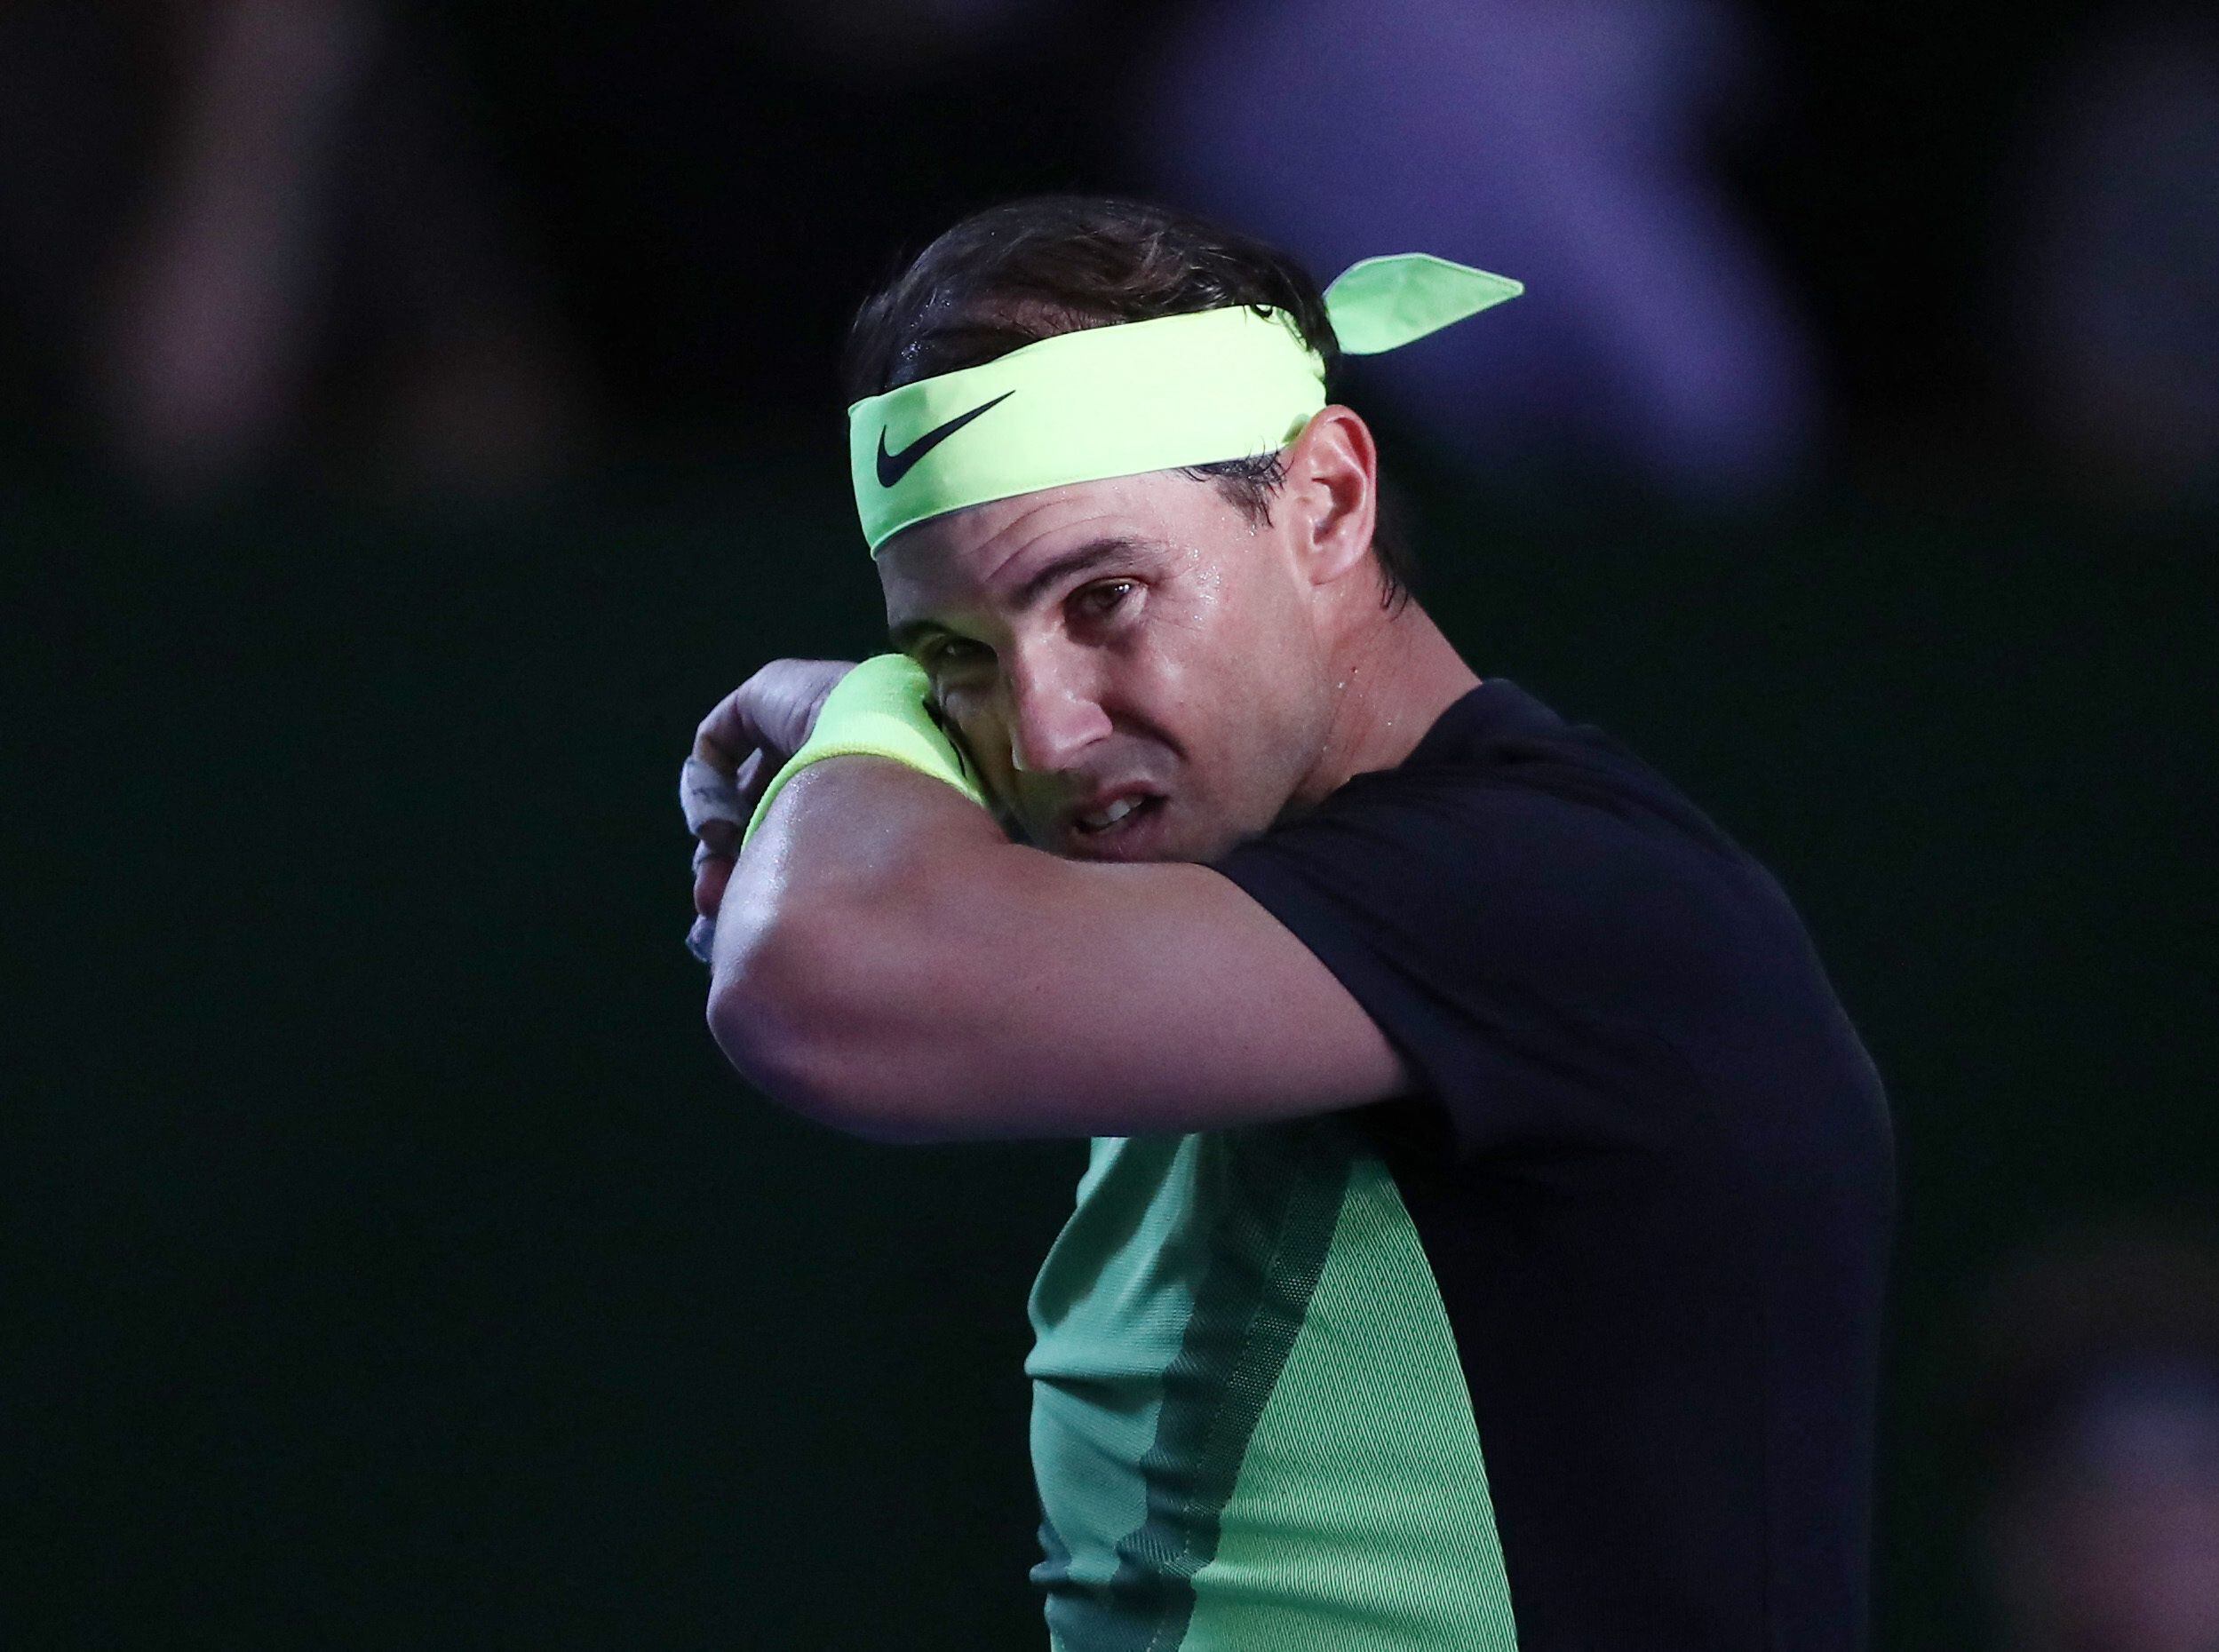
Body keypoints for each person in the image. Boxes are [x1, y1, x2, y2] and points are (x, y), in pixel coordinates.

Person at [680, 195, 1895, 1650]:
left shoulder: (1559, 896)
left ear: (1323, 501)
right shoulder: (1249, 909)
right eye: (954, 657)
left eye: (1105, 595)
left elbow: (822, 984)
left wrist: (854, 705)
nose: (1048, 736)